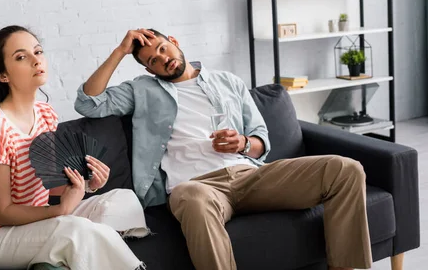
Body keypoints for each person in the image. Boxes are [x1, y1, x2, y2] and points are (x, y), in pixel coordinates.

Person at [74, 28, 372, 270]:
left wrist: (242, 143)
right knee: (192, 197)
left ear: (174, 42)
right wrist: (120, 51)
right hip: (196, 187)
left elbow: (260, 140)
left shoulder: (227, 81)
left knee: (345, 169)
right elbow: (88, 103)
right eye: (152, 60)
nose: (162, 59)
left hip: (250, 176)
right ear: (149, 70)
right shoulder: (142, 90)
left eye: (162, 49)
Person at [0, 25, 147, 270]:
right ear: (3, 75)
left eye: (37, 52)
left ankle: (62, 253)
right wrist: (62, 210)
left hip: (39, 218)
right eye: (21, 57)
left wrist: (88, 184)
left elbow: (48, 181)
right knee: (75, 229)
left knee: (125, 200)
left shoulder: (46, 114)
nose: (36, 61)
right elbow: (3, 213)